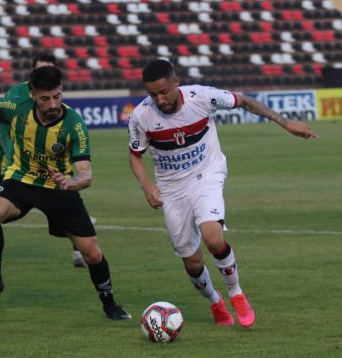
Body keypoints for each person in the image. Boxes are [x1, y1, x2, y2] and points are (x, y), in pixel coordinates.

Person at [0, 66, 131, 320]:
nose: (52, 104)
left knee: (92, 253)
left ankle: (109, 305)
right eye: (45, 98)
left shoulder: (74, 125)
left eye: (56, 96)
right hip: (22, 180)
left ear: (61, 91)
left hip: (59, 189)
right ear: (32, 94)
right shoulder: (16, 108)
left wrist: (71, 182)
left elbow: (86, 174)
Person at [128, 59, 317, 328]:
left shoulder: (201, 97)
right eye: (152, 94)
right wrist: (147, 186)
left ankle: (236, 293)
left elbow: (245, 101)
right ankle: (216, 303)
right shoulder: (141, 116)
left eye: (164, 92)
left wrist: (284, 123)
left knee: (213, 237)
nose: (159, 99)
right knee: (192, 264)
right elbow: (135, 155)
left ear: (176, 82)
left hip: (206, 174)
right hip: (171, 189)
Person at [0, 51, 87, 268]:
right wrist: (10, 154)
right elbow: (3, 127)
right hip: (12, 168)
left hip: (51, 175)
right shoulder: (15, 96)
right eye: (40, 69)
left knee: (68, 210)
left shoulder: (59, 108)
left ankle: (79, 250)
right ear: (32, 73)